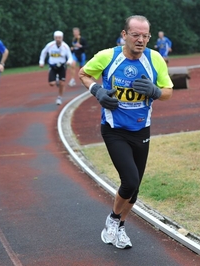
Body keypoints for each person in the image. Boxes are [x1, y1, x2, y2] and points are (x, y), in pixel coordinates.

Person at [79, 15, 173, 249]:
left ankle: (119, 228)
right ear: (124, 35)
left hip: (141, 128)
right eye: (136, 35)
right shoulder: (108, 56)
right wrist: (97, 91)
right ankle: (112, 219)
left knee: (135, 188)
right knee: (129, 181)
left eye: (145, 36)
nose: (141, 40)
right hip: (114, 129)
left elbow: (169, 90)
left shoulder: (155, 59)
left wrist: (155, 91)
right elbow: (83, 73)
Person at [39, 30, 73, 105]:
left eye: (59, 37)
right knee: (52, 84)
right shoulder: (50, 45)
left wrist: (69, 62)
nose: (58, 39)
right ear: (54, 38)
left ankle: (59, 98)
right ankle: (56, 80)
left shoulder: (65, 46)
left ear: (62, 38)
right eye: (56, 37)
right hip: (52, 66)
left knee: (62, 83)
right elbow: (43, 52)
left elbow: (70, 57)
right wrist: (41, 62)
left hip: (62, 66)